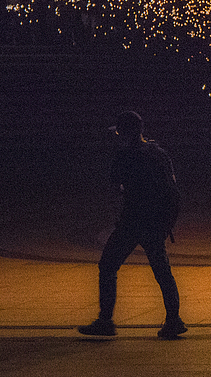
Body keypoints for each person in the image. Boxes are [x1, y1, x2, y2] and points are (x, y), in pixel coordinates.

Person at [78, 110, 186, 338]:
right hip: (155, 222)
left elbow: (115, 188)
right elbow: (173, 189)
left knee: (108, 266)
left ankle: (105, 320)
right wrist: (167, 222)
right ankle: (174, 319)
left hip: (132, 221)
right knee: (162, 270)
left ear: (124, 132)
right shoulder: (159, 153)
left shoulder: (124, 156)